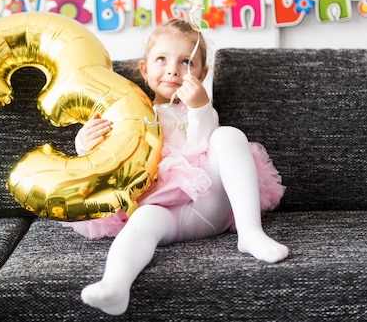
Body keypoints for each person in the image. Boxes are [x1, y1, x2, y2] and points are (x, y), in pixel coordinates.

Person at [65, 18, 288, 315]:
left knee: (228, 136)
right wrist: (85, 144)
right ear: (144, 69)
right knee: (141, 223)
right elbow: (110, 157)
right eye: (161, 59)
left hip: (208, 205)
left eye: (186, 62)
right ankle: (115, 285)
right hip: (159, 211)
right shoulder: (126, 112)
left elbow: (202, 145)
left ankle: (250, 233)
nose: (173, 69)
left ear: (201, 73)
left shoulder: (196, 109)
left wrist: (200, 107)